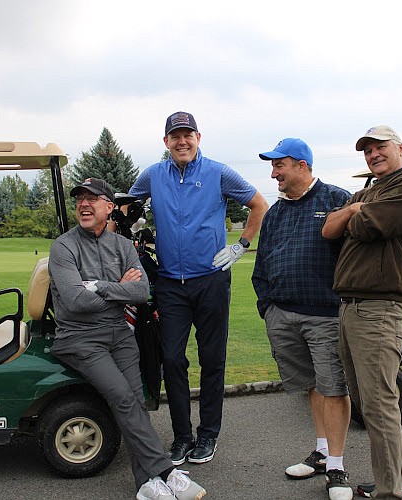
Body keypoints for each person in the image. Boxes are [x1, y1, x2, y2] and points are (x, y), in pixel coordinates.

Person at [49, 178, 206, 500]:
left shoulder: (122, 246)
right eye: (80, 198)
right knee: (122, 397)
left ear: (109, 207)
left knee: (136, 402)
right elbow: (76, 301)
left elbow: (141, 291)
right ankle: (166, 471)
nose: (84, 204)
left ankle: (146, 485)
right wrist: (118, 288)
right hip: (80, 339)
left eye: (93, 199)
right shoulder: (63, 247)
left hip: (119, 335)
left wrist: (99, 286)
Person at [129, 112, 269, 466]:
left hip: (210, 279)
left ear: (198, 137)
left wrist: (242, 244)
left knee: (212, 359)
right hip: (170, 283)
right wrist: (132, 221)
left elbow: (259, 205)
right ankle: (182, 437)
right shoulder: (153, 174)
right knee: (173, 359)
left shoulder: (218, 172)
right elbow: (124, 206)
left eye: (187, 135)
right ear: (166, 142)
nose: (182, 142)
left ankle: (208, 435)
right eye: (175, 136)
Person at [322, 126, 402, 500]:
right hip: (352, 306)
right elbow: (329, 229)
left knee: (380, 404)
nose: (373, 154)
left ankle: (389, 492)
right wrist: (353, 209)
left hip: (380, 308)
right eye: (367, 150)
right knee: (368, 402)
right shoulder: (368, 191)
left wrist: (353, 214)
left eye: (380, 147)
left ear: (399, 148)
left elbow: (367, 227)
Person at [252, 138, 354, 500]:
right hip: (283, 314)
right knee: (312, 385)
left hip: (325, 315)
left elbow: (355, 256)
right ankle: (323, 452)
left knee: (333, 388)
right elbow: (262, 262)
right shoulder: (277, 212)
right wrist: (268, 307)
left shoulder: (336, 199)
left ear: (301, 165)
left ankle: (338, 467)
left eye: (279, 165)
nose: (273, 173)